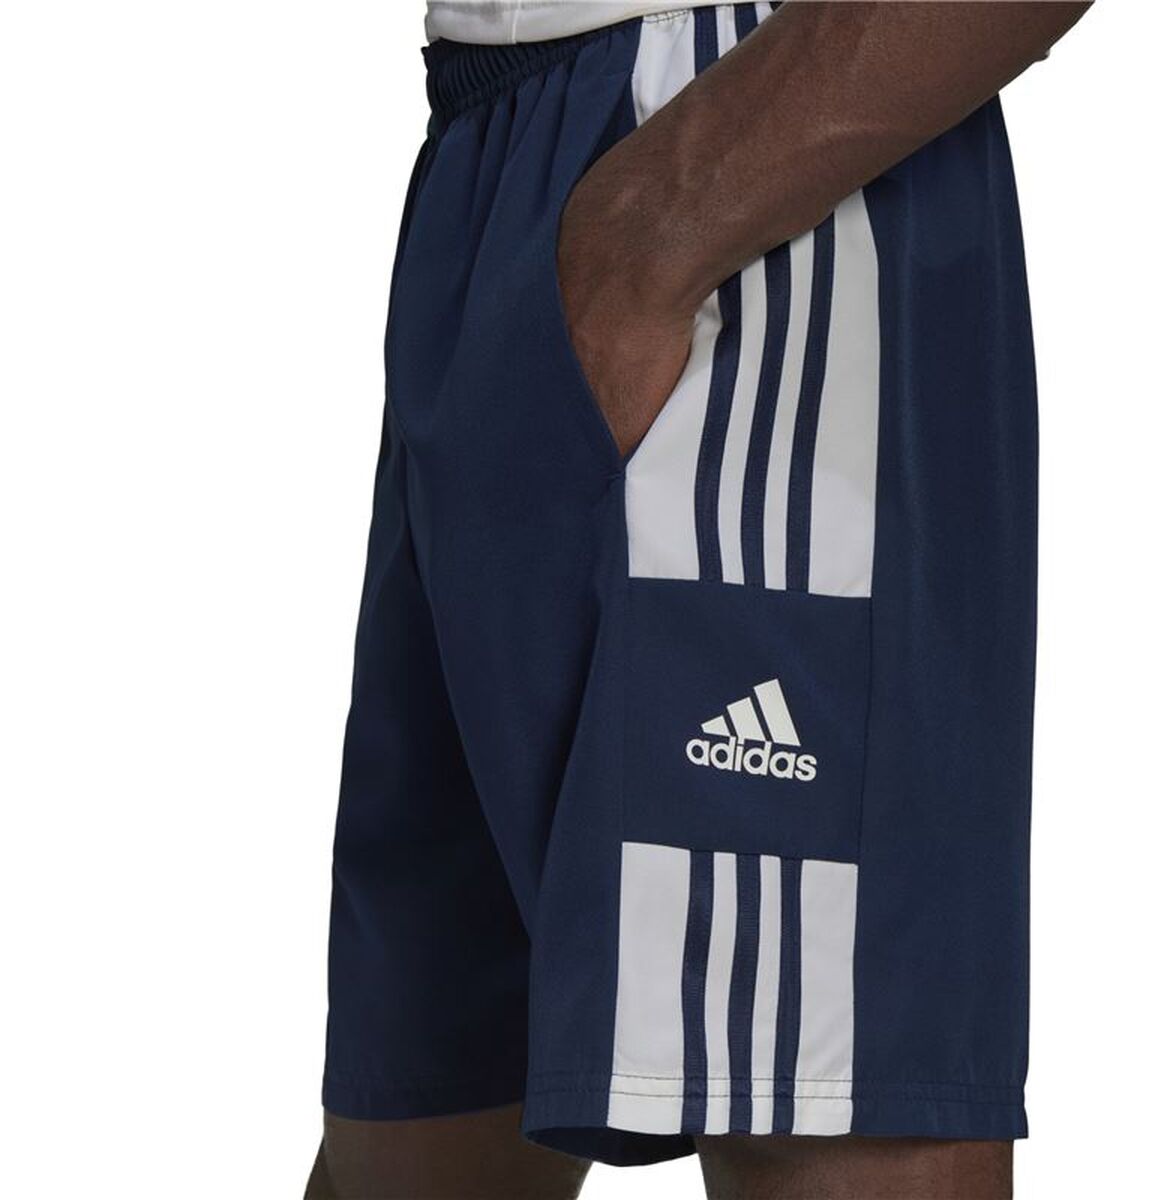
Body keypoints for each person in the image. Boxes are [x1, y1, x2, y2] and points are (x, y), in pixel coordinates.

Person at [306, 3, 1091, 1196]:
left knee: (815, 1104)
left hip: (742, 168)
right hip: (495, 146)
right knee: (425, 1113)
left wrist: (655, 232)